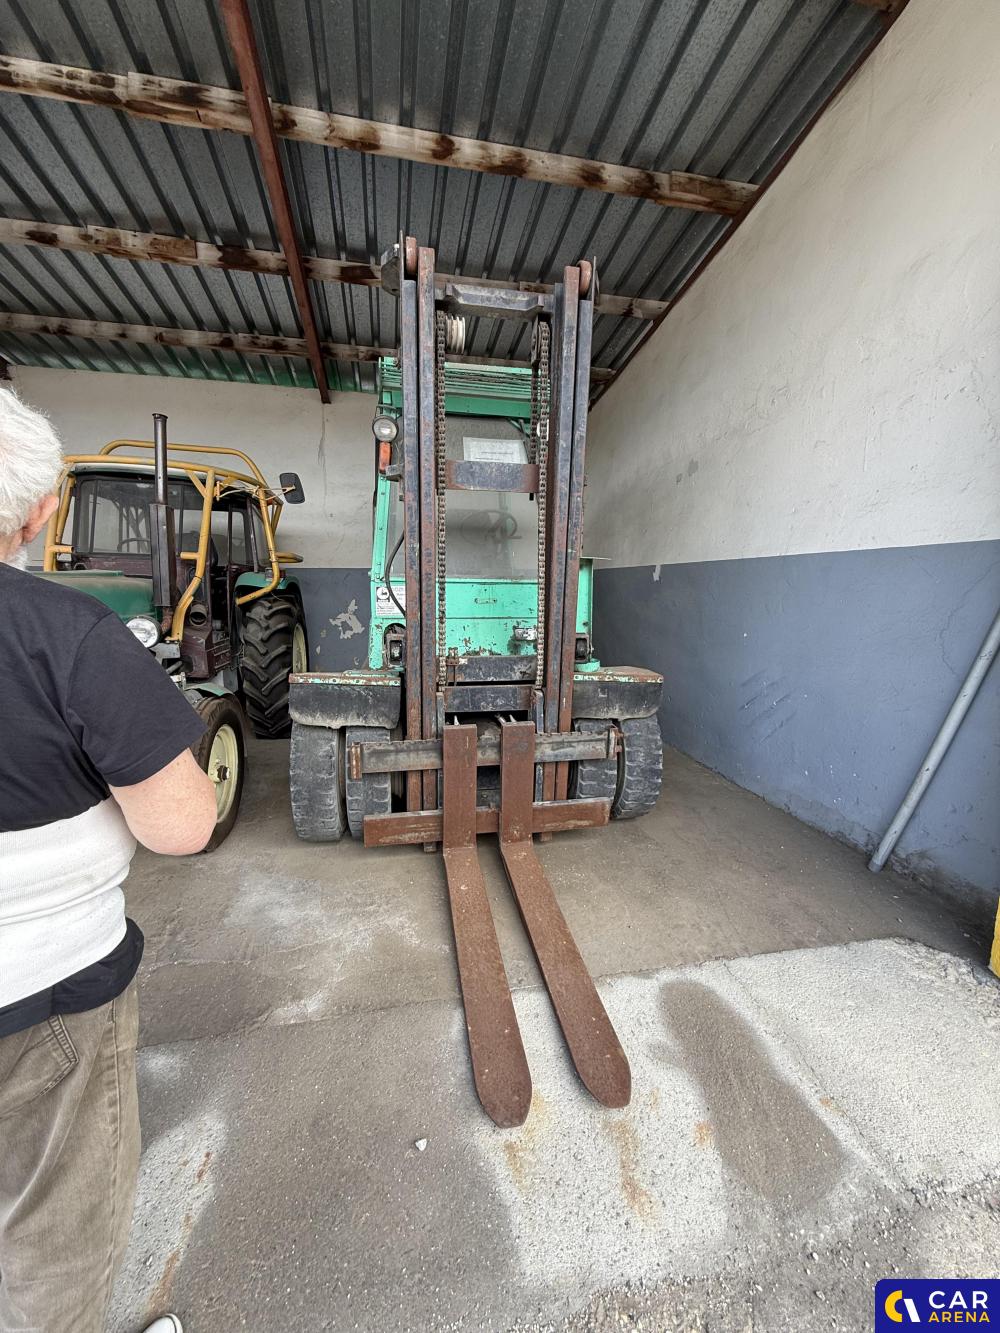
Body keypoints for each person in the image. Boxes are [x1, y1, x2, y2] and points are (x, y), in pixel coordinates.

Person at [0, 385, 218, 1333]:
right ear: (43, 511)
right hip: (40, 996)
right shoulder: (69, 633)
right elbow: (184, 824)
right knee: (54, 1236)